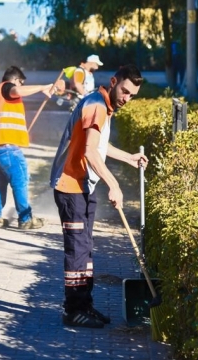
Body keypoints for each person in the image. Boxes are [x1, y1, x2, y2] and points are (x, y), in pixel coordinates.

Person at [49, 64, 148, 328]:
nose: (127, 99)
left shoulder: (103, 106)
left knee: (85, 249)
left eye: (132, 96)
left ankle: (85, 305)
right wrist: (114, 184)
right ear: (114, 82)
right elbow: (90, 153)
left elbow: (100, 146)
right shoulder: (97, 106)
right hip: (70, 187)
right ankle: (73, 310)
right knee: (77, 250)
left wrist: (129, 157)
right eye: (125, 91)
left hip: (83, 187)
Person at [0, 66, 59, 230]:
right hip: (4, 145)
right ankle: (25, 219)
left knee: (0, 181)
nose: (21, 86)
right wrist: (43, 87)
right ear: (14, 80)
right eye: (21, 83)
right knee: (20, 180)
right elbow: (18, 91)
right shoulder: (6, 87)